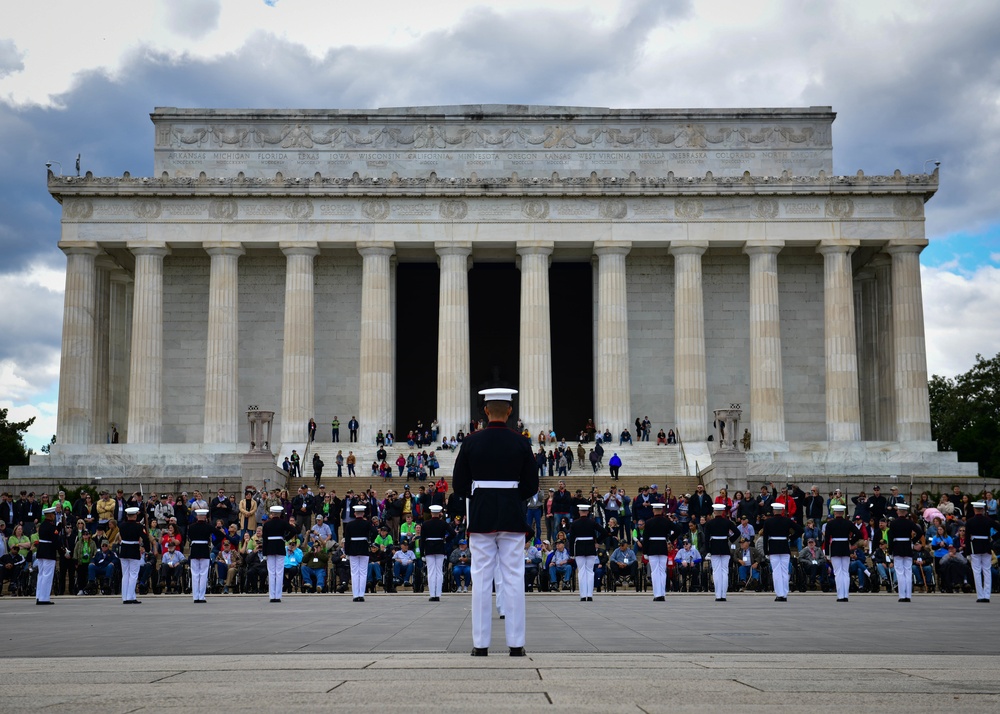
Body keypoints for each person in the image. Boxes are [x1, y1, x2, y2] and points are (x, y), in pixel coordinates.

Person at [453, 387, 538, 658]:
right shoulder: (521, 442)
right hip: (512, 514)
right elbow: (531, 485)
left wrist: (479, 495)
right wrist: (512, 495)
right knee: (514, 577)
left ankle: (480, 644)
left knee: (480, 578)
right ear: (510, 410)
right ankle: (516, 644)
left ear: (486, 411)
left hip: (481, 515)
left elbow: (458, 485)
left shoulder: (471, 442)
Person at [761, 502, 802, 601]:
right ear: (782, 511)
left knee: (776, 571)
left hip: (774, 548)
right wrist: (791, 538)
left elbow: (765, 538)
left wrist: (766, 551)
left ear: (774, 511)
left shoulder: (768, 522)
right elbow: (800, 530)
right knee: (785, 571)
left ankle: (779, 594)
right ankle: (784, 593)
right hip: (784, 547)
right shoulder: (787, 521)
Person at [187, 508, 227, 603]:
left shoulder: (191, 527)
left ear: (197, 517)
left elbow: (189, 537)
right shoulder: (208, 526)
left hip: (195, 549)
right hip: (204, 549)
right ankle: (201, 596)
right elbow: (221, 535)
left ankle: (195, 596)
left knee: (195, 574)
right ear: (205, 517)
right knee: (204, 574)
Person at [887, 503, 924, 602]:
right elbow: (920, 532)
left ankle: (902, 595)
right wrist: (912, 541)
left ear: (898, 511)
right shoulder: (910, 522)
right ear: (906, 512)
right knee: (908, 572)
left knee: (900, 573)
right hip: (907, 547)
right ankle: (908, 595)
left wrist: (890, 551)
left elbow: (891, 539)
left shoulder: (893, 523)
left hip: (897, 548)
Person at [964, 501, 1000, 602]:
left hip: (974, 547)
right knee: (987, 571)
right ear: (983, 510)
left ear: (975, 510)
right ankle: (987, 595)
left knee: (977, 571)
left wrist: (967, 552)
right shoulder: (988, 520)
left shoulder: (970, 521)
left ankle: (980, 595)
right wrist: (993, 537)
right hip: (986, 546)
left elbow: (967, 538)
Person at [704, 503, 740, 601]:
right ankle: (723, 595)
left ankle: (718, 595)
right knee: (725, 571)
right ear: (723, 512)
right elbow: (737, 532)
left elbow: (706, 539)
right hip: (725, 547)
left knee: (716, 572)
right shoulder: (727, 522)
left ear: (714, 512)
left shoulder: (709, 523)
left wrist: (708, 551)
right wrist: (731, 539)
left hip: (714, 548)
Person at [824, 504, 859, 601]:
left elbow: (827, 539)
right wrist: (851, 541)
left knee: (838, 573)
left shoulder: (830, 524)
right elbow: (858, 533)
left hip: (835, 548)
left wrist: (827, 553)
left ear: (835, 513)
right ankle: (845, 595)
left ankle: (840, 595)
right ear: (843, 513)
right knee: (845, 572)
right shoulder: (848, 523)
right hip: (845, 548)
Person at [262, 505, 296, 603]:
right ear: (280, 514)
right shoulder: (283, 523)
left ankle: (272, 596)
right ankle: (278, 595)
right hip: (280, 547)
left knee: (271, 572)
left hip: (269, 548)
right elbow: (293, 530)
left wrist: (264, 553)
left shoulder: (267, 524)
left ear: (272, 514)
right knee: (279, 572)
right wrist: (286, 538)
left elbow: (264, 540)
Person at [568, 503, 602, 602]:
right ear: (587, 512)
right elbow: (604, 532)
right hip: (591, 548)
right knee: (590, 572)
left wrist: (571, 553)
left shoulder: (574, 523)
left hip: (579, 549)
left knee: (581, 572)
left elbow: (571, 539)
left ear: (579, 512)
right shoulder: (592, 522)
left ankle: (583, 595)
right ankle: (590, 595)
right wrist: (597, 541)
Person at [118, 506, 151, 604]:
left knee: (125, 574)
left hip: (124, 550)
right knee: (133, 574)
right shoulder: (138, 526)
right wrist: (147, 549)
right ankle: (130, 597)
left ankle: (125, 596)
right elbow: (145, 538)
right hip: (133, 550)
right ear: (135, 516)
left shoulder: (122, 525)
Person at [642, 502, 674, 601]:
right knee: (662, 572)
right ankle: (662, 593)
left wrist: (645, 552)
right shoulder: (666, 521)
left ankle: (657, 594)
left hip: (652, 548)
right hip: (662, 547)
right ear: (662, 511)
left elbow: (645, 538)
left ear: (653, 510)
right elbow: (678, 529)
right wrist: (670, 539)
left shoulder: (648, 522)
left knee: (655, 572)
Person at [343, 504, 372, 601]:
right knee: (363, 572)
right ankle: (361, 595)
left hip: (353, 549)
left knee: (354, 572)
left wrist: (347, 552)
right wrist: (369, 539)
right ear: (363, 514)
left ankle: (355, 595)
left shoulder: (350, 524)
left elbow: (347, 539)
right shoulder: (367, 523)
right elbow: (375, 532)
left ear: (355, 513)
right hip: (364, 548)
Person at [420, 505, 448, 601]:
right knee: (439, 572)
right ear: (439, 513)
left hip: (429, 548)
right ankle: (438, 594)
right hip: (440, 547)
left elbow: (422, 539)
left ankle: (432, 594)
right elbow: (453, 533)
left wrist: (421, 552)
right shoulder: (443, 523)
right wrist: (445, 539)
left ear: (431, 513)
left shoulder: (425, 524)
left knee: (431, 572)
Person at [34, 507, 59, 605]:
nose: (54, 516)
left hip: (41, 551)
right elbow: (55, 540)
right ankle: (44, 598)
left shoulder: (43, 525)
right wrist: (62, 550)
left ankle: (39, 596)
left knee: (41, 574)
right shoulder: (51, 526)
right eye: (53, 514)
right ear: (50, 515)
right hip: (48, 552)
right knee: (47, 575)